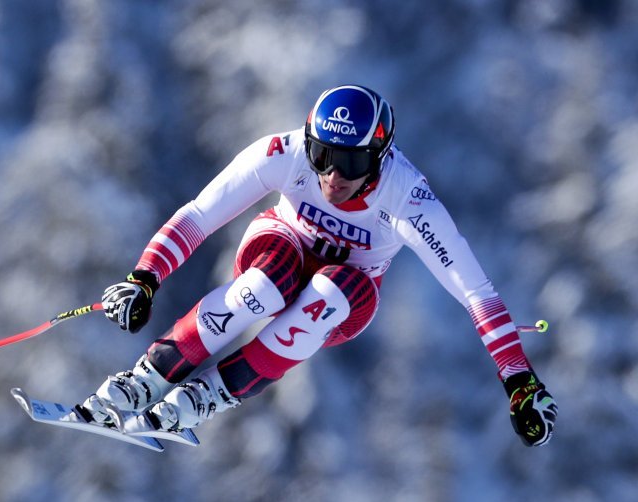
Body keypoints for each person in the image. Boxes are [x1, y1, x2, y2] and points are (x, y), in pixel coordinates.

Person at [80, 84, 558, 446]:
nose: (332, 176)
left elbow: (475, 291)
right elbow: (201, 214)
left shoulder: (407, 198)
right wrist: (144, 277)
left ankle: (205, 397)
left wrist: (518, 378)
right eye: (322, 155)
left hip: (347, 296)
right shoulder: (284, 153)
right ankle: (144, 378)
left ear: (379, 158)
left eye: (350, 163)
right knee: (267, 284)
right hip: (279, 247)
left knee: (328, 291)